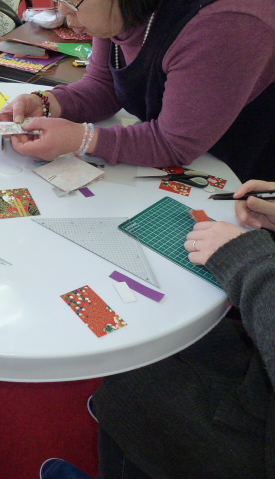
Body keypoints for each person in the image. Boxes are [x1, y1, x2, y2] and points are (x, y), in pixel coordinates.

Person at [39, 179, 275, 478]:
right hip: (258, 373)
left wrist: (246, 256)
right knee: (153, 337)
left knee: (132, 369)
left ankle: (130, 423)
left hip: (259, 445)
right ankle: (125, 424)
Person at [0, 0, 275, 182]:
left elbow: (173, 144)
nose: (65, 15)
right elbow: (104, 86)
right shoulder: (117, 11)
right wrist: (46, 103)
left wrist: (83, 139)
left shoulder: (225, 22)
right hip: (199, 157)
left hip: (250, 174)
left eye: (72, 1)